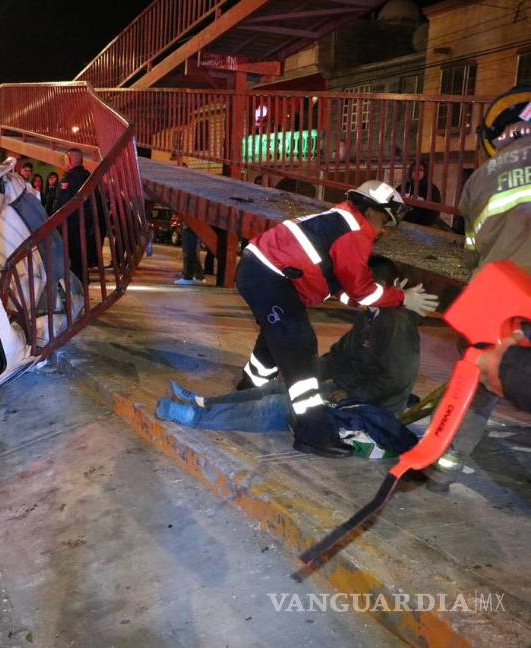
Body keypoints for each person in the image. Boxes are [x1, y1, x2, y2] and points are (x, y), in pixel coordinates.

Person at [233, 180, 438, 457]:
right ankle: (313, 433)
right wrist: (400, 298)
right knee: (299, 348)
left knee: (276, 338)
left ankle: (246, 392)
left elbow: (345, 289)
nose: (383, 232)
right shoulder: (355, 232)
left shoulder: (339, 221)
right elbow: (362, 290)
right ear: (373, 211)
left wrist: (385, 296)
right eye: (385, 222)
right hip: (269, 277)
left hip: (264, 273)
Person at [157, 256, 422, 432]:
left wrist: (354, 395)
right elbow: (338, 357)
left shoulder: (396, 322)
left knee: (276, 407)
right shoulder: (370, 316)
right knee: (273, 389)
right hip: (346, 387)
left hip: (370, 406)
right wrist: (302, 373)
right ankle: (203, 402)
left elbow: (396, 379)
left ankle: (195, 418)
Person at [427, 85, 531, 487]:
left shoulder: (479, 180)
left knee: (473, 385)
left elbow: (472, 249)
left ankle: (441, 462)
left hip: (495, 293)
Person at [54, 148, 104, 281]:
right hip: (88, 229)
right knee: (82, 262)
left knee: (70, 263)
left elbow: (61, 206)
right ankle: (82, 289)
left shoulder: (68, 180)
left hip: (70, 229)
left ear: (69, 160)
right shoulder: (90, 179)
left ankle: (74, 292)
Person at [397, 161, 443, 227]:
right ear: (410, 172)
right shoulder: (403, 186)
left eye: (421, 170)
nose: (417, 172)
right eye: (414, 170)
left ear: (425, 173)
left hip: (420, 226)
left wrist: (420, 226)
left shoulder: (432, 189)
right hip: (401, 222)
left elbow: (434, 213)